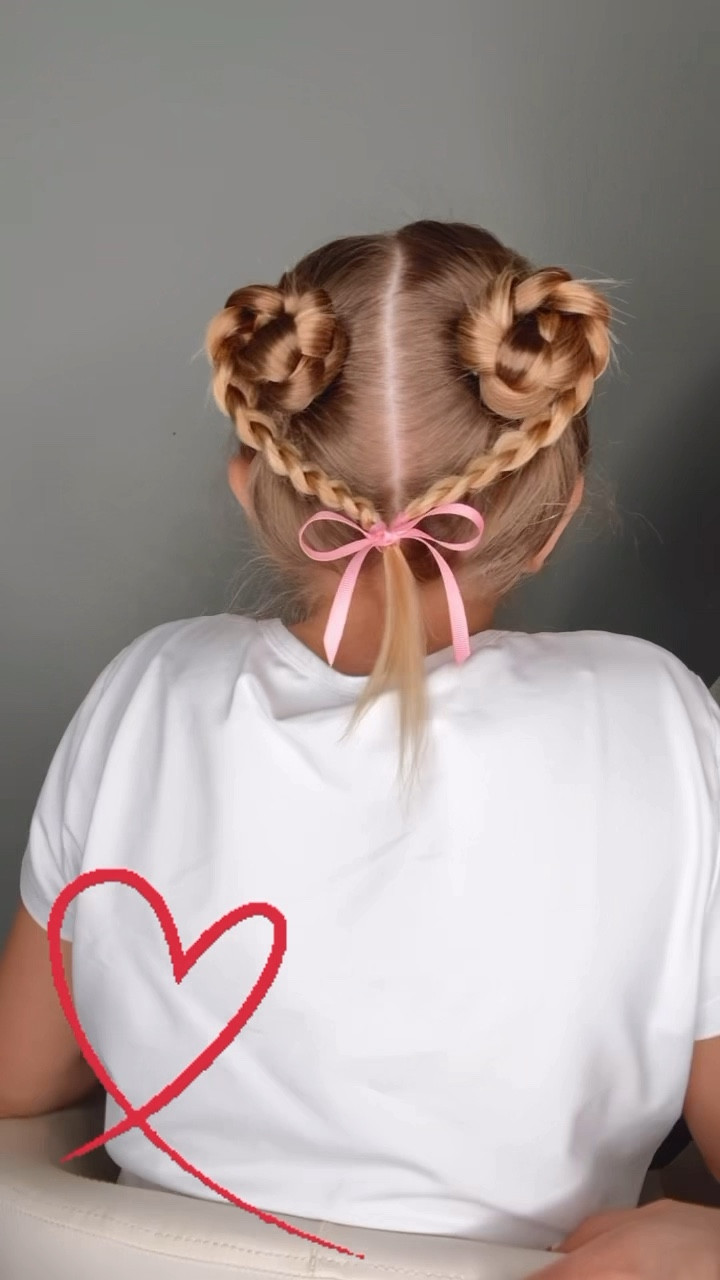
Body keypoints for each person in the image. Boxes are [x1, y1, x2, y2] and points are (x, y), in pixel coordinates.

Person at [0, 221, 718, 1279]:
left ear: (254, 487)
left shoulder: (143, 691)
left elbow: (20, 1078)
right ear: (557, 509)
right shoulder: (659, 716)